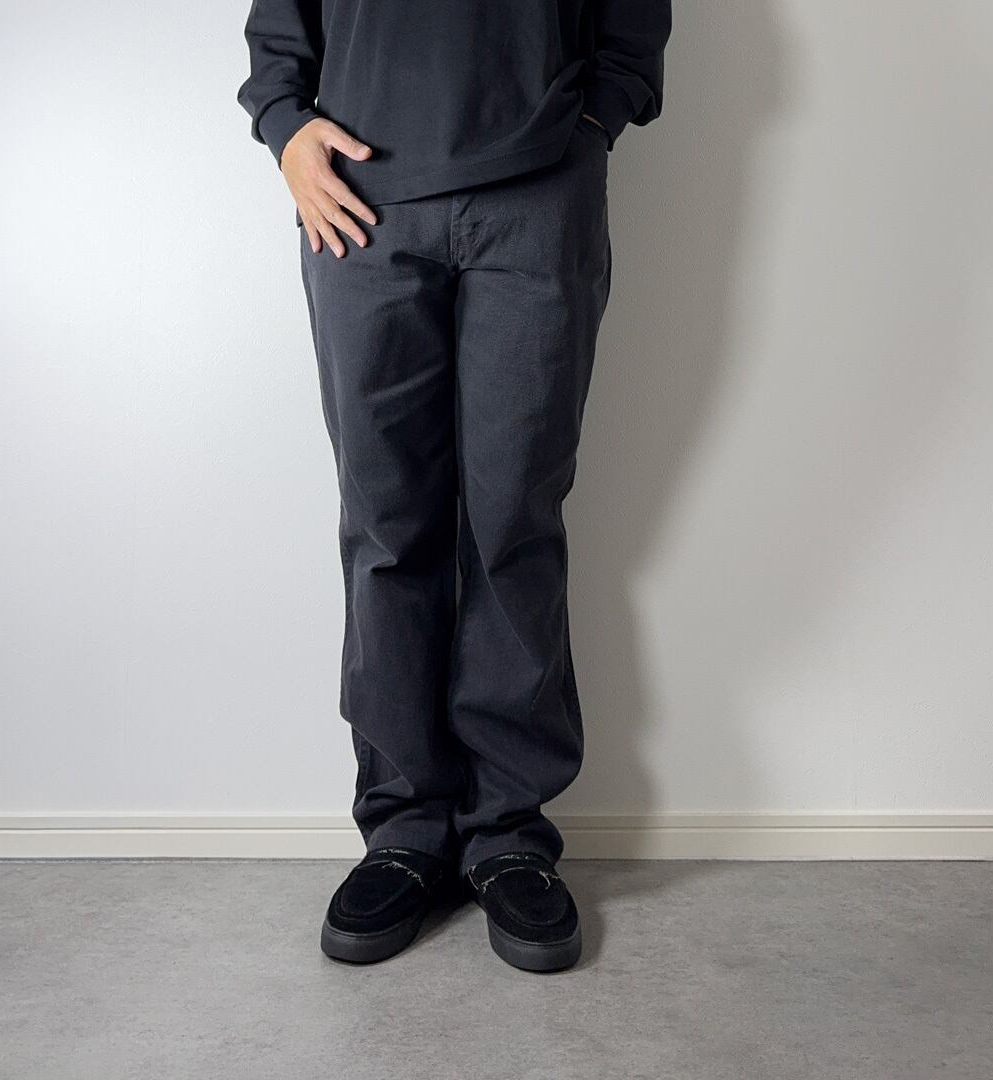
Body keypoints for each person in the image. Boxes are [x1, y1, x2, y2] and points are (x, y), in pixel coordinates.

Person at [239, 0, 671, 972]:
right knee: (388, 528)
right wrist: (287, 128)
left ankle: (508, 832)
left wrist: (592, 124)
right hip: (360, 208)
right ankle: (405, 830)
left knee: (513, 522)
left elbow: (636, 16)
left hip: (536, 194)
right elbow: (278, 28)